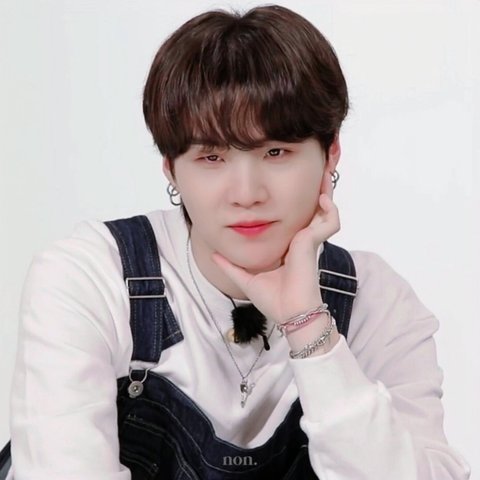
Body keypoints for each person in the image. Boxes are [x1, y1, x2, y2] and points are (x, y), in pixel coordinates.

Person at [3, 4, 471, 480]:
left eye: (276, 152)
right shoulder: (91, 279)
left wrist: (309, 327)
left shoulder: (377, 303)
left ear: (330, 154)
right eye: (211, 157)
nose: (247, 194)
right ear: (171, 169)